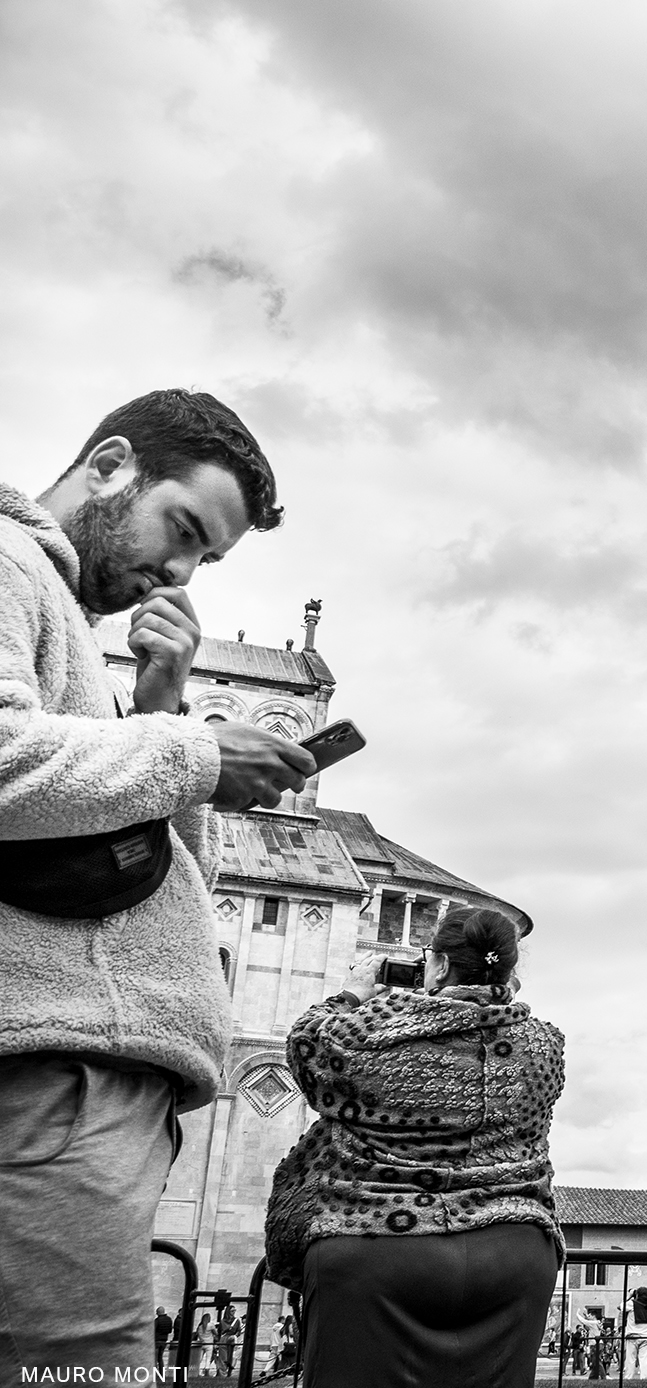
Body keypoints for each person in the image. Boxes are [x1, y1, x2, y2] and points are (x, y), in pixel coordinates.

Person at [0, 391, 310, 1377]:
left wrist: (159, 707)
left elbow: (161, 868)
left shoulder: (60, 613)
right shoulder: (6, 565)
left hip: (86, 1080)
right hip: (55, 1077)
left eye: (204, 559)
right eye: (182, 529)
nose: (176, 573)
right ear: (108, 465)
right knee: (82, 1370)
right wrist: (198, 747)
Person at [263, 907, 563, 1387]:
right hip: (515, 1249)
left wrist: (353, 994)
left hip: (377, 1242)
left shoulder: (370, 1028)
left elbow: (306, 1046)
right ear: (509, 971)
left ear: (440, 965)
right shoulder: (544, 1042)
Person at [152, 1308, 173, 1374]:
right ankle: (162, 1373)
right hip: (164, 1341)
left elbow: (153, 1330)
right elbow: (170, 1331)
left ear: (158, 1313)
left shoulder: (157, 1320)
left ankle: (154, 1373)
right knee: (160, 1358)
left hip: (157, 1341)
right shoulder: (169, 1319)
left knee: (155, 1358)